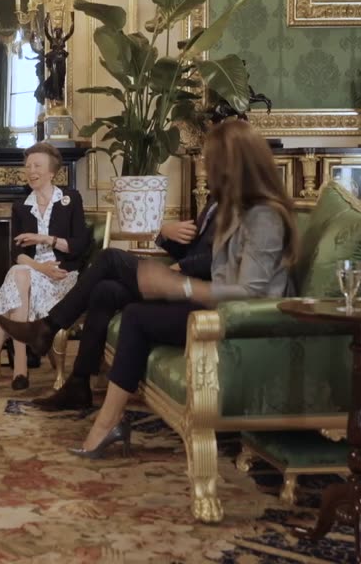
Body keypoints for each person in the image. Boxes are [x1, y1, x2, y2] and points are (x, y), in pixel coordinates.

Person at [67, 119, 297, 457]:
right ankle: (107, 422)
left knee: (135, 316)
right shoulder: (236, 208)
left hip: (247, 323)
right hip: (222, 309)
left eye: (209, 160)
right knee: (131, 311)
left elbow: (250, 292)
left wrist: (181, 286)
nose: (204, 166)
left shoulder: (263, 216)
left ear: (231, 165)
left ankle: (107, 424)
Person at [0, 198, 218, 410]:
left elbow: (223, 258)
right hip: (177, 282)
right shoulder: (214, 200)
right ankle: (78, 385)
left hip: (196, 292)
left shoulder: (241, 204)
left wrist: (180, 269)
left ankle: (47, 327)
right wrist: (164, 233)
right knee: (105, 291)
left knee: (109, 258)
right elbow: (191, 248)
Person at [0, 143, 90, 394]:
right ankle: (16, 366)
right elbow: (16, 254)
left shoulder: (70, 199)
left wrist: (45, 240)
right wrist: (41, 267)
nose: (31, 171)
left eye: (37, 165)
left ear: (52, 172)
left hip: (62, 277)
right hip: (34, 273)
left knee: (14, 287)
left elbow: (81, 245)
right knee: (20, 274)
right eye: (28, 166)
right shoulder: (21, 206)